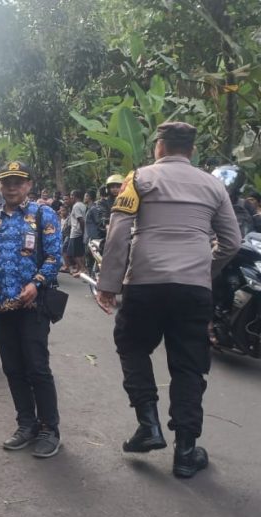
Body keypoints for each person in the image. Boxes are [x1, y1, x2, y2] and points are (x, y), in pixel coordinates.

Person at [96, 121, 241, 479]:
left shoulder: (139, 178)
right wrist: (204, 270)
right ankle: (186, 453)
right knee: (189, 366)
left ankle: (149, 425)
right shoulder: (214, 185)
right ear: (191, 150)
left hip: (145, 283)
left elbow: (117, 234)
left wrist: (108, 284)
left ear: (159, 146)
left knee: (132, 346)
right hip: (193, 289)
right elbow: (232, 242)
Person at [0, 161, 63, 458]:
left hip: (32, 306)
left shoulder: (42, 214)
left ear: (28, 186)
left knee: (37, 367)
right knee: (13, 369)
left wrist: (36, 282)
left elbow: (54, 256)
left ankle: (49, 428)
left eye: (18, 182)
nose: (12, 187)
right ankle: (26, 424)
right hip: (1, 308)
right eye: (7, 182)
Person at [67, 189, 86, 275]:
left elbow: (81, 220)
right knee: (79, 252)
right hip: (79, 231)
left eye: (71, 196)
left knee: (73, 253)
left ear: (75, 196)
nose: (70, 197)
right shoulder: (83, 205)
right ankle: (79, 268)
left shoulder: (76, 206)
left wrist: (83, 231)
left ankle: (83, 268)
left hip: (76, 232)